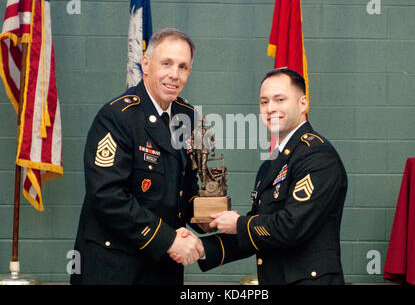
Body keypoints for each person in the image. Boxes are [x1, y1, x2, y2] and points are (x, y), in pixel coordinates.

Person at [172, 68, 348, 285]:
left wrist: (238, 224)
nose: (271, 108)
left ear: (303, 104)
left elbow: (291, 227)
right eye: (264, 102)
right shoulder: (271, 165)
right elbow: (258, 232)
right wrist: (202, 248)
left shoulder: (317, 155)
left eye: (280, 99)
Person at [71, 28, 205, 285]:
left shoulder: (186, 117)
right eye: (166, 63)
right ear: (146, 63)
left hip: (163, 267)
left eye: (183, 67)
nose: (174, 75)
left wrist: (205, 218)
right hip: (114, 268)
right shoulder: (117, 116)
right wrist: (169, 240)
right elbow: (107, 195)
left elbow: (183, 190)